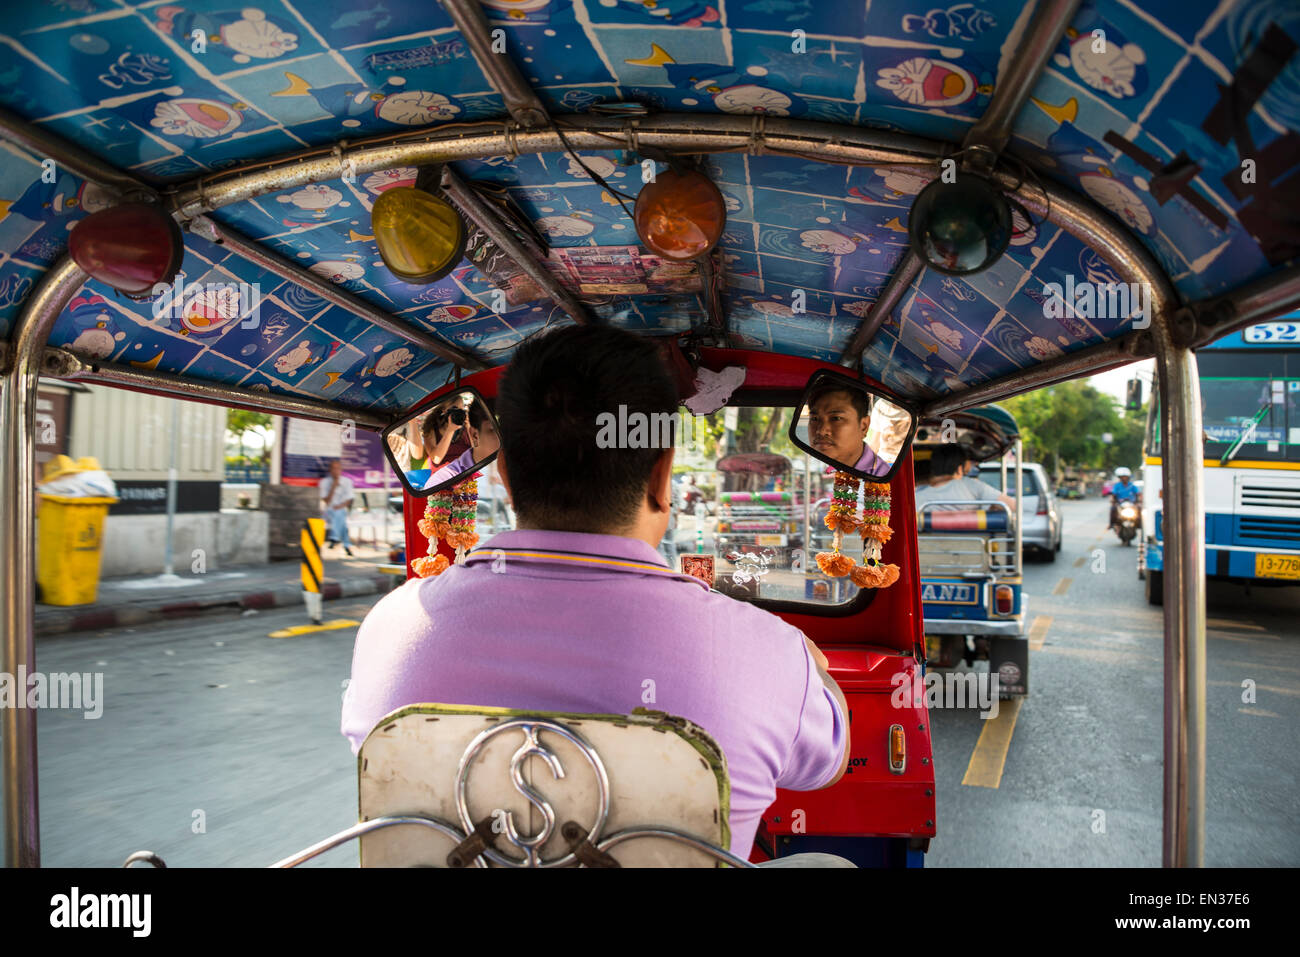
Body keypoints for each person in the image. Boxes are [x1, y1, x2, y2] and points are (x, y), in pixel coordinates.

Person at [342, 325, 853, 867]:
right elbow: (827, 766)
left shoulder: (391, 627)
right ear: (662, 477)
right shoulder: (768, 651)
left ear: (507, 476)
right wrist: (814, 669)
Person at [807, 385, 891, 477]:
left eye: (836, 418)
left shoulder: (883, 479)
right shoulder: (832, 470)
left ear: (864, 426)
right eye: (814, 419)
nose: (821, 431)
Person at [424, 399, 500, 489]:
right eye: (455, 409)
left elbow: (477, 449)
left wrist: (468, 425)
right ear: (443, 411)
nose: (459, 413)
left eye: (462, 409)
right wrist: (450, 430)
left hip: (468, 474)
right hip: (446, 480)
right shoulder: (432, 428)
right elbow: (436, 459)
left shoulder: (467, 428)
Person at [915, 445, 1014, 513]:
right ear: (959, 469)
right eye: (966, 472)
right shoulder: (971, 485)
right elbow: (1012, 506)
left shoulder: (916, 497)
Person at [320, 459, 355, 556]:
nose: (336, 471)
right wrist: (333, 487)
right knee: (341, 520)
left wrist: (340, 506)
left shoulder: (347, 482)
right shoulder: (324, 482)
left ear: (341, 470)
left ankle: (334, 538)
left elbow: (349, 499)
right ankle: (346, 545)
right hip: (327, 511)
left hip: (341, 509)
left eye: (338, 468)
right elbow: (326, 501)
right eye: (333, 468)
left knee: (339, 514)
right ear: (330, 470)